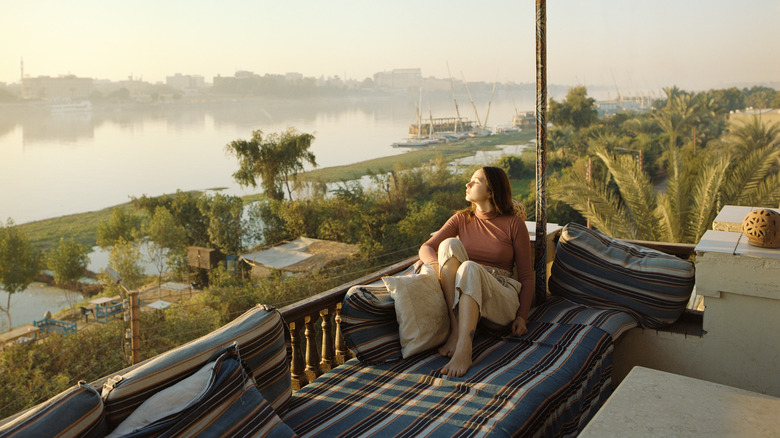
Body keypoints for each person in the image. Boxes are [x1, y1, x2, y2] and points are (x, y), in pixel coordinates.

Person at [418, 166, 533, 378]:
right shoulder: (462, 219)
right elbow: (426, 248)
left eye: (475, 181)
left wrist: (523, 317)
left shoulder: (514, 224)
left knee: (470, 267)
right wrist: (438, 269)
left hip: (500, 296)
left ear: (491, 191)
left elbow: (526, 275)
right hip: (467, 294)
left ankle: (464, 349)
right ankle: (457, 330)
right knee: (449, 245)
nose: (467, 184)